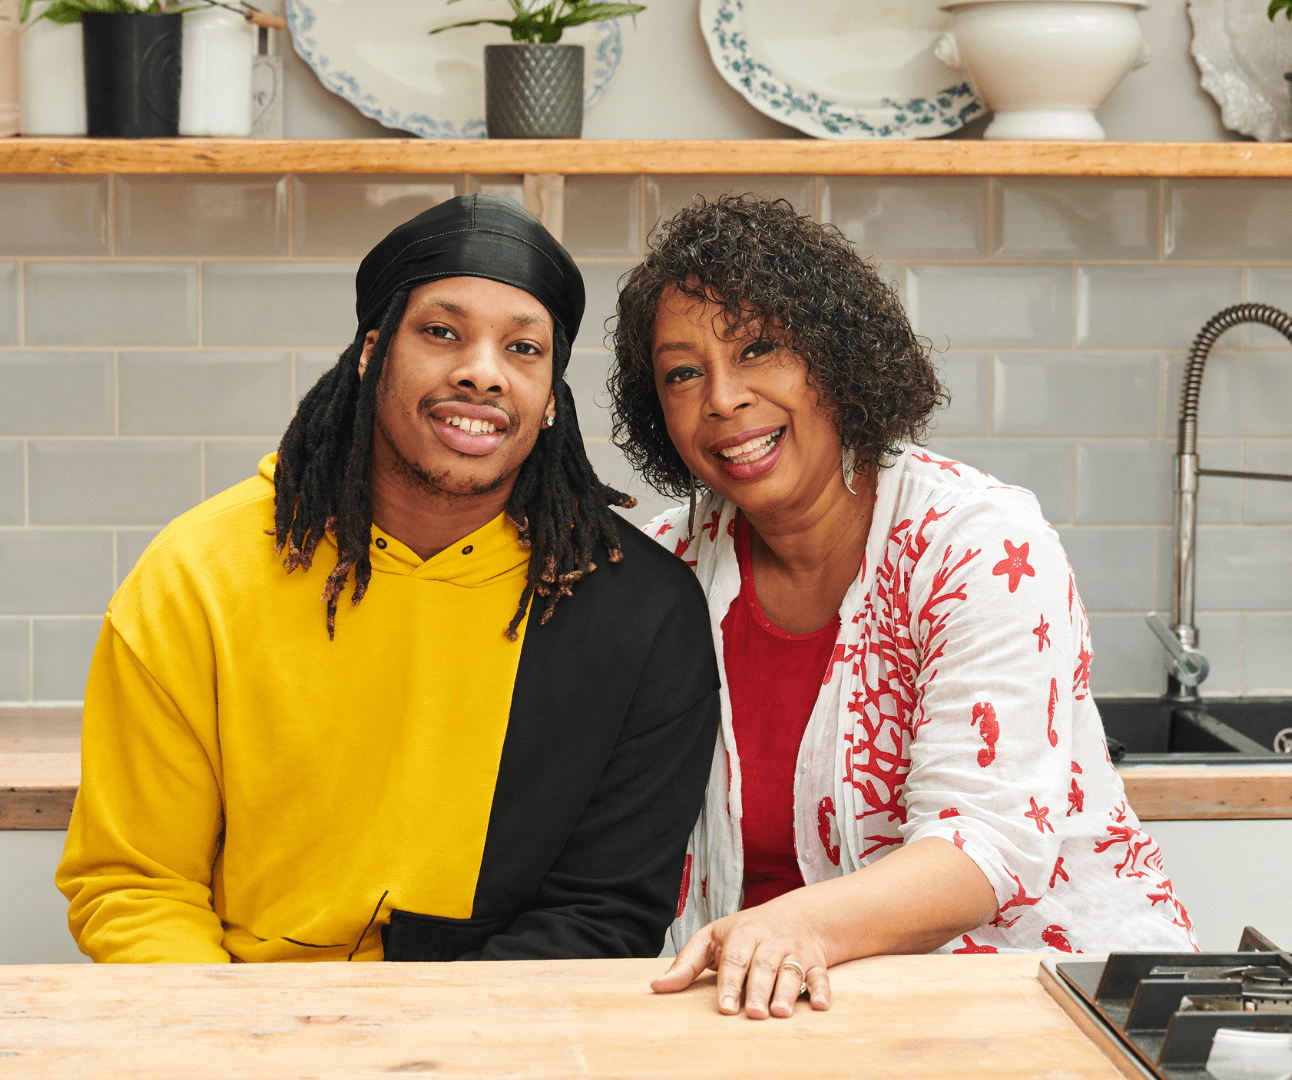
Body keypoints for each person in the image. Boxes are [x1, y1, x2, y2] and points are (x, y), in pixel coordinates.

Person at [56, 195, 721, 964]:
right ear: (372, 353)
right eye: (441, 332)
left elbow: (601, 915)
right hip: (241, 1028)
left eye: (523, 349)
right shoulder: (198, 578)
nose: (481, 373)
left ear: (549, 403)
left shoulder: (639, 612)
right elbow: (138, 886)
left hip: (504, 1039)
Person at [608, 195, 1196, 1019]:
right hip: (783, 1021)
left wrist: (797, 927)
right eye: (682, 372)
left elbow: (983, 845)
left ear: (836, 357)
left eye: (760, 348)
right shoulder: (660, 566)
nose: (724, 398)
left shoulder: (976, 543)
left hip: (1059, 1010)